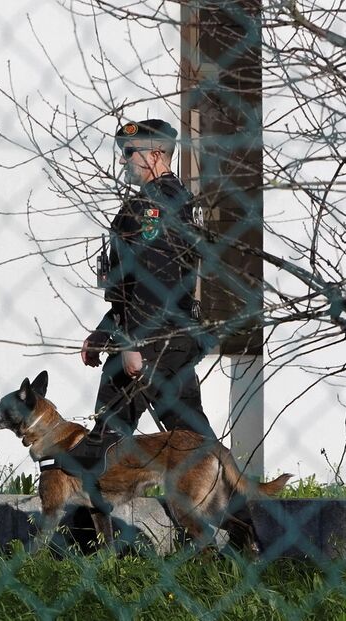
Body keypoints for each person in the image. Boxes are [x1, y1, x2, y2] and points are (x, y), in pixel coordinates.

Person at [81, 118, 215, 444]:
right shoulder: (179, 201)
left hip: (149, 339)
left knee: (106, 440)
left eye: (129, 152)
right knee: (193, 440)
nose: (122, 160)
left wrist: (132, 344)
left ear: (155, 155)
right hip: (172, 337)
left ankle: (91, 478)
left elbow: (154, 281)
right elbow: (132, 287)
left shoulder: (152, 207)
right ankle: (227, 478)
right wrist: (103, 332)